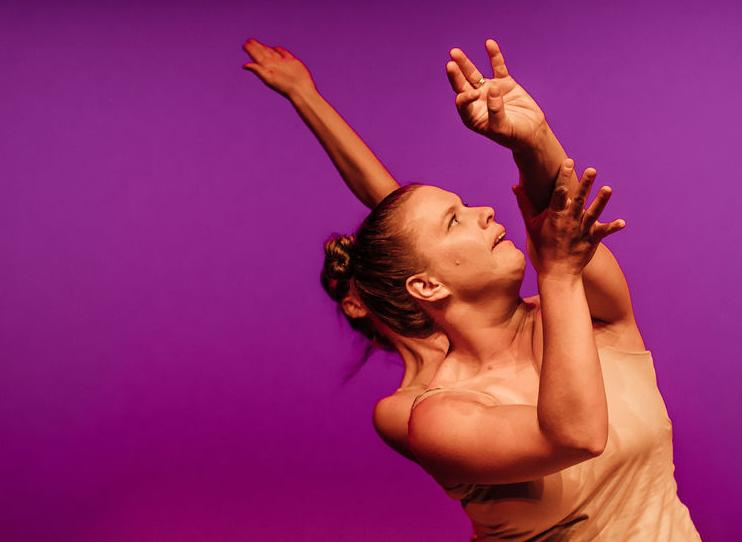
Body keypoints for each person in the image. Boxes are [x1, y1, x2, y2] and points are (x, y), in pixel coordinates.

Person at [241, 38, 701, 540]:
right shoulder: (424, 412)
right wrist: (557, 274)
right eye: (455, 219)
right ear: (423, 286)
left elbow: (551, 217)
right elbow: (578, 435)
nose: (485, 208)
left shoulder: (589, 316)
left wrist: (532, 138)